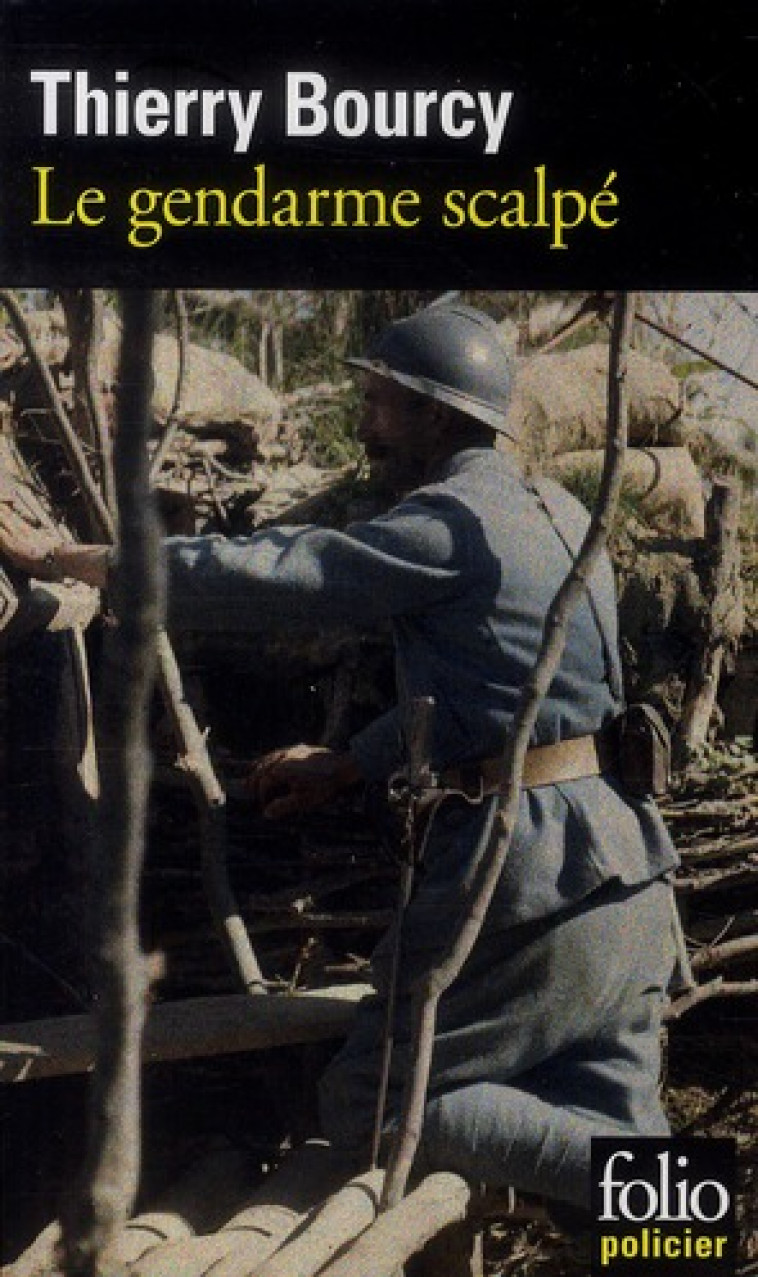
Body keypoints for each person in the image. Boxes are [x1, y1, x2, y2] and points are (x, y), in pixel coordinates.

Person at [0, 302, 679, 1211]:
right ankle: (687, 1220)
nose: (364, 425)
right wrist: (354, 761)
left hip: (528, 887)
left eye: (379, 402)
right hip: (627, 877)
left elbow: (288, 571)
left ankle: (657, 1196)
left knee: (372, 1101)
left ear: (435, 416)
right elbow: (513, 694)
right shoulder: (556, 509)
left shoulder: (449, 520)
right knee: (622, 1121)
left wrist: (75, 558)